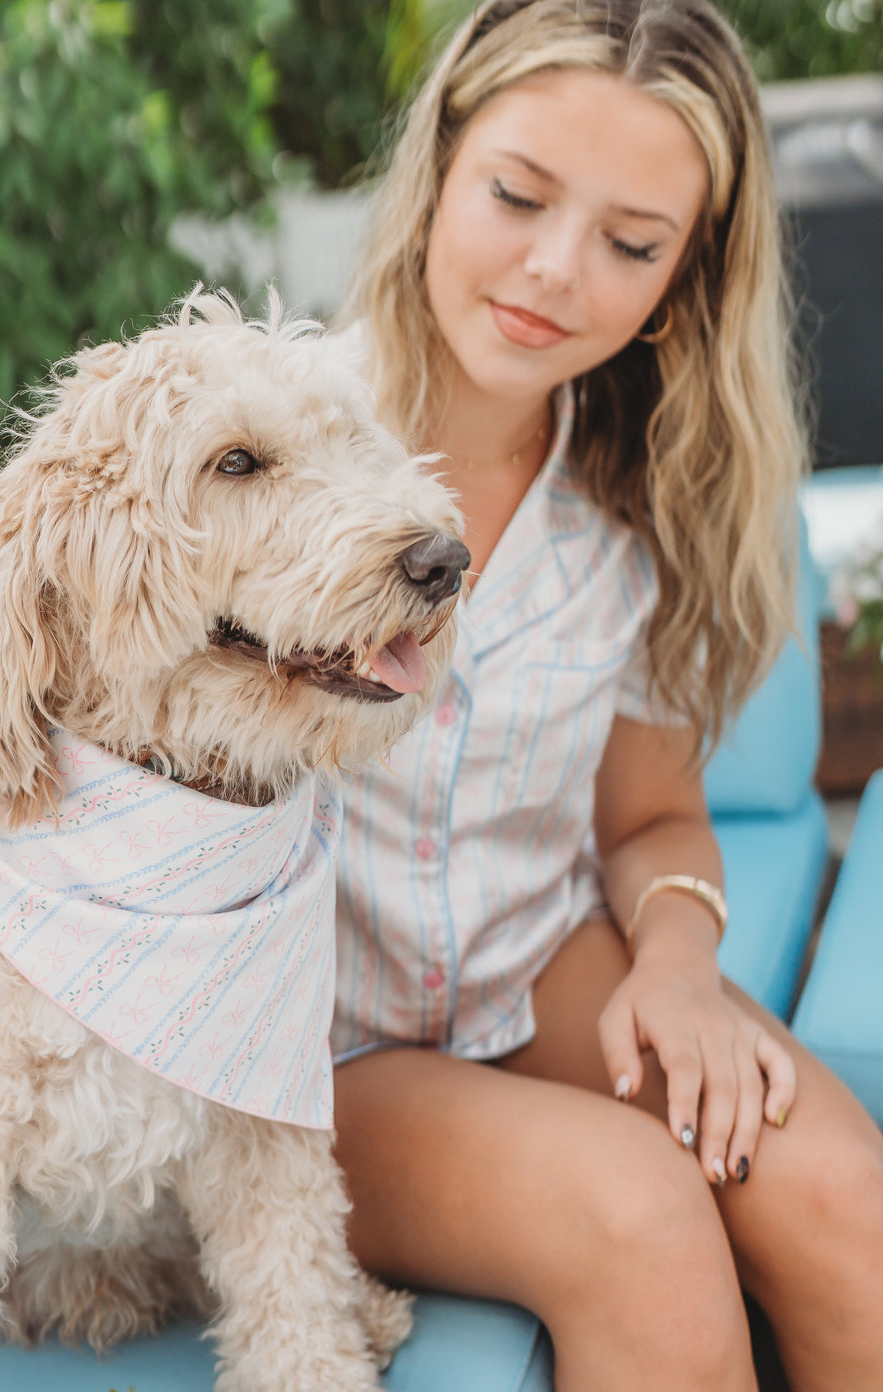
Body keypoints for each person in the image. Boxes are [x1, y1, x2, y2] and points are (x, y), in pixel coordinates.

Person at [327, 3, 883, 1389]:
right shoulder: (266, 447)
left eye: (633, 244)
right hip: (299, 1049)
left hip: (529, 967)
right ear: (444, 162)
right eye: (518, 195)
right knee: (638, 1217)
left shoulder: (638, 507)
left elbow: (647, 818)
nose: (555, 271)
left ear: (685, 277)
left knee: (837, 1189)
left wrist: (681, 969)